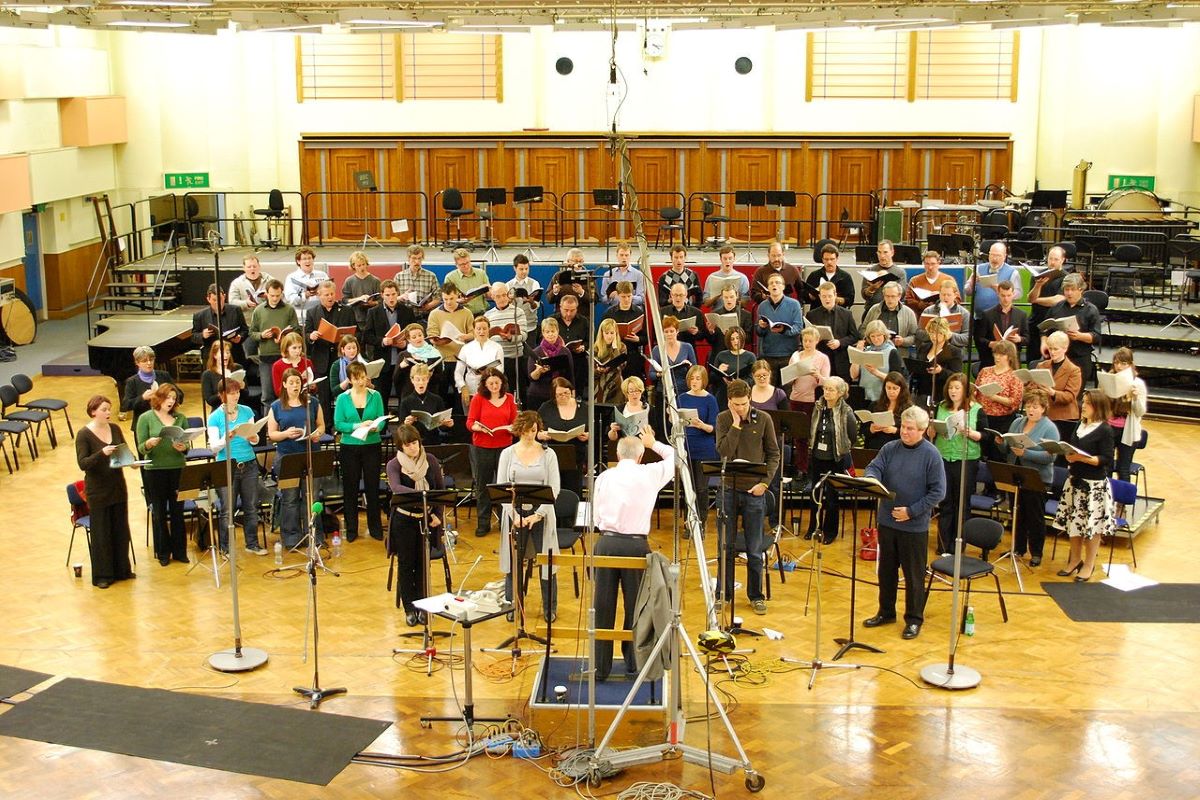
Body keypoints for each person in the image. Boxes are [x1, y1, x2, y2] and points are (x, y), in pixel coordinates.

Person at [592, 424, 676, 681]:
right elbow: (676, 458)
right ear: (640, 456)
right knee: (636, 607)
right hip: (636, 545)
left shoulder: (604, 476)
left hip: (606, 543)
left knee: (602, 605)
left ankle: (600, 668)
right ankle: (633, 663)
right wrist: (654, 443)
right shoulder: (649, 473)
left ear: (618, 456)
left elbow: (595, 513)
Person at [863, 405, 946, 640]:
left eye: (910, 429)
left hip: (913, 526)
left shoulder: (931, 455)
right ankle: (886, 612)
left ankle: (914, 619)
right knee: (886, 572)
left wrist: (911, 511)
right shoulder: (890, 448)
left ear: (922, 430)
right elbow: (874, 467)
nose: (905, 432)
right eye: (903, 427)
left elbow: (938, 492)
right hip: (887, 522)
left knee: (914, 576)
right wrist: (872, 479)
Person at [715, 380, 780, 616]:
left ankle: (756, 595)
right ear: (729, 403)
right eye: (736, 405)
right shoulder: (723, 419)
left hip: (755, 491)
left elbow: (774, 454)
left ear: (749, 399)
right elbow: (724, 451)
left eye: (744, 404)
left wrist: (764, 483)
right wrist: (735, 424)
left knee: (754, 549)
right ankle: (723, 594)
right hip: (728, 490)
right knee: (725, 546)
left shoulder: (764, 419)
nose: (741, 408)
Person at [497, 411, 561, 622]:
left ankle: (549, 607)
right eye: (526, 431)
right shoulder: (507, 454)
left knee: (546, 561)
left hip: (541, 513)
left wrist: (538, 515)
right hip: (514, 513)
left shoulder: (548, 454)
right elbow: (501, 489)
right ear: (519, 430)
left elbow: (554, 488)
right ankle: (512, 604)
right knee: (514, 561)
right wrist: (514, 515)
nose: (530, 435)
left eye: (533, 431)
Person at [1051, 390, 1116, 583]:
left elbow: (1106, 460)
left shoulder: (1105, 430)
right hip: (1074, 481)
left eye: (1087, 403)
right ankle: (1074, 559)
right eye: (1084, 402)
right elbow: (1071, 447)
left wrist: (1082, 458)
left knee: (1091, 527)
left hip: (1093, 486)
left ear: (1098, 407)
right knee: (1074, 524)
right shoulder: (1080, 425)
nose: (1083, 406)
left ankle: (1089, 563)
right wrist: (1068, 455)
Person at [386, 424, 447, 626]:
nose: (413, 448)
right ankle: (409, 608)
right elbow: (396, 487)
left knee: (422, 564)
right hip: (403, 520)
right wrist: (422, 496)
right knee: (406, 564)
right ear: (401, 447)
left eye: (415, 443)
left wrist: (437, 514)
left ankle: (423, 606)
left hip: (425, 519)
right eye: (408, 445)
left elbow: (440, 489)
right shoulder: (394, 464)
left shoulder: (430, 460)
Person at [75, 395, 135, 589]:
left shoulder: (115, 429)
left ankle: (121, 570)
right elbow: (83, 463)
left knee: (120, 529)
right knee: (101, 533)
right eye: (104, 409)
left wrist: (131, 461)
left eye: (109, 409)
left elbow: (124, 451)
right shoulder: (84, 434)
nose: (108, 412)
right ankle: (102, 575)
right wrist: (102, 453)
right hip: (98, 489)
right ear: (93, 412)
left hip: (117, 485)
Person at [993, 387, 1058, 567]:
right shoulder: (1017, 423)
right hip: (1016, 475)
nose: (1031, 410)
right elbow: (1007, 449)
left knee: (1034, 516)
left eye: (1036, 407)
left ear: (1044, 408)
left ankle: (1036, 552)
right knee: (1017, 512)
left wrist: (1026, 453)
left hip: (1037, 478)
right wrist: (1000, 443)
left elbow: (1050, 457)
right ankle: (1018, 548)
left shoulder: (1050, 428)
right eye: (1029, 406)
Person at [267, 367, 326, 550]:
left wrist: (317, 434)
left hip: (310, 454)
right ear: (284, 384)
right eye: (291, 382)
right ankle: (291, 538)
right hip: (287, 456)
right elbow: (272, 434)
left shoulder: (312, 402)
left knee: (312, 497)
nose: (295, 385)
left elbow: (322, 425)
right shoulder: (276, 406)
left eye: (298, 382)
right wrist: (285, 434)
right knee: (290, 498)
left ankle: (315, 535)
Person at [206, 379, 265, 556]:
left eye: (237, 392)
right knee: (227, 510)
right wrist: (228, 437)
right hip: (227, 465)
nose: (236, 396)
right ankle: (226, 547)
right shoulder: (215, 417)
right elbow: (214, 447)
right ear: (222, 395)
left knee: (251, 506)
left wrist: (253, 437)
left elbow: (256, 438)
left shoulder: (246, 411)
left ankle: (252, 543)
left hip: (248, 463)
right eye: (232, 393)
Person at [136, 384, 190, 566]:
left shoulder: (180, 418)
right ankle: (163, 552)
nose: (171, 401)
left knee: (177, 512)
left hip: (177, 469)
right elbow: (141, 448)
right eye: (168, 397)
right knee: (159, 512)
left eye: (174, 398)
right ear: (159, 398)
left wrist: (183, 448)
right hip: (155, 470)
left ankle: (180, 551)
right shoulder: (146, 418)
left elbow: (187, 446)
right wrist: (150, 444)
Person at [930, 372, 983, 555]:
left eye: (957, 388)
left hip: (966, 459)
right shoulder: (942, 407)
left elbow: (986, 436)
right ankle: (943, 545)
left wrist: (970, 433)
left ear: (965, 390)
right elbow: (934, 431)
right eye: (951, 387)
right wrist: (932, 429)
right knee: (945, 502)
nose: (953, 391)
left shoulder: (976, 409)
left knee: (962, 504)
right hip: (943, 457)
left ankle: (959, 545)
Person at [333, 361, 384, 543]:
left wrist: (376, 427)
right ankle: (352, 529)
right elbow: (338, 424)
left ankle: (375, 528)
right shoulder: (342, 398)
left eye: (363, 377)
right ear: (350, 380)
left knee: (372, 488)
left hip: (372, 445)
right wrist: (357, 425)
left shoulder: (375, 395)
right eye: (357, 379)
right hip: (349, 447)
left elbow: (382, 419)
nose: (361, 381)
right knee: (350, 488)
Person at [466, 367, 517, 537]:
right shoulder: (478, 399)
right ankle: (483, 523)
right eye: (490, 383)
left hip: (504, 446)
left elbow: (515, 422)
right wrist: (478, 427)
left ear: (502, 382)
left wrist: (512, 428)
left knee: (504, 486)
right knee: (483, 486)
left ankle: (505, 522)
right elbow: (470, 422)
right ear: (485, 384)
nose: (494, 386)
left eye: (497, 382)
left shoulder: (509, 398)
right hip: (483, 446)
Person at [805, 377, 857, 544]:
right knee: (815, 493)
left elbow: (852, 436)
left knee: (832, 497)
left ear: (840, 393)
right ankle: (813, 527)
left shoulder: (846, 411)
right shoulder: (818, 406)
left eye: (831, 389)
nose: (826, 392)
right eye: (825, 388)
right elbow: (812, 429)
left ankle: (830, 532)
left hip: (835, 459)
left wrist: (842, 448)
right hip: (817, 457)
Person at [304, 279, 356, 421]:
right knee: (324, 396)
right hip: (321, 360)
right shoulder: (312, 312)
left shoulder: (346, 310)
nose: (330, 297)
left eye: (332, 294)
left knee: (345, 395)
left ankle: (345, 425)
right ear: (319, 295)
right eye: (326, 294)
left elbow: (355, 332)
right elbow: (306, 335)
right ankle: (326, 427)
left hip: (342, 360)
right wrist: (312, 336)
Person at [361, 278, 415, 412]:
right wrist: (382, 341)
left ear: (398, 293)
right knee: (382, 397)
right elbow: (366, 336)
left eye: (393, 294)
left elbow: (414, 332)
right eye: (387, 295)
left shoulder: (407, 311)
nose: (391, 298)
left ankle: (404, 427)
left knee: (404, 396)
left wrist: (406, 343)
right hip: (382, 361)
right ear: (382, 295)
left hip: (402, 361)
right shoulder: (373, 312)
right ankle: (383, 429)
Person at [677, 365, 719, 538]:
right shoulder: (681, 398)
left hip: (704, 448)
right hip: (685, 447)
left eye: (698, 378)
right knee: (687, 488)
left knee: (701, 489)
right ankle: (689, 522)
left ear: (704, 381)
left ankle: (700, 523)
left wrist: (701, 425)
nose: (694, 382)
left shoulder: (710, 400)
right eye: (692, 378)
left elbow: (715, 428)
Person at [1044, 273, 1102, 389]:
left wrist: (1079, 336)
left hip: (1078, 358)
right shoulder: (1057, 307)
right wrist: (1043, 342)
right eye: (1066, 289)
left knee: (1074, 396)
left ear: (1080, 290)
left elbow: (1096, 336)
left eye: (1072, 290)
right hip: (1057, 358)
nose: (1069, 293)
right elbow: (1045, 329)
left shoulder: (1090, 310)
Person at [786, 327, 830, 474]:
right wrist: (794, 373)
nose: (807, 343)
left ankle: (815, 466)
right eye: (805, 340)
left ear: (817, 341)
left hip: (813, 400)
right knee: (799, 435)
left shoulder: (822, 358)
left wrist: (817, 375)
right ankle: (801, 468)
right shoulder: (796, 356)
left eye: (811, 341)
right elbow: (787, 378)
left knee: (814, 433)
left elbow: (827, 382)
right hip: (796, 398)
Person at [537, 377, 590, 499]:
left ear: (572, 392)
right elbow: (536, 429)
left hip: (576, 455)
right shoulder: (546, 407)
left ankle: (572, 515)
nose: (564, 396)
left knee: (573, 489)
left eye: (567, 393)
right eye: (559, 394)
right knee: (553, 489)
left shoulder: (583, 407)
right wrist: (540, 435)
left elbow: (592, 428)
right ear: (553, 395)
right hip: (552, 454)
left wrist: (588, 435)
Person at [974, 339, 1024, 462]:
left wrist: (994, 397)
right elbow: (977, 389)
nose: (997, 357)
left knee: (996, 455)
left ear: (1009, 357)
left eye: (1002, 354)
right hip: (983, 416)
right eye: (996, 354)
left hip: (1002, 420)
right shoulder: (985, 371)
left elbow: (1015, 401)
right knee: (980, 452)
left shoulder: (1014, 375)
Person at [248, 277, 294, 412]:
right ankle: (269, 428)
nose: (275, 298)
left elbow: (296, 330)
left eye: (278, 296)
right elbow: (252, 333)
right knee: (267, 394)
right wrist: (262, 335)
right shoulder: (259, 310)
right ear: (266, 294)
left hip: (284, 356)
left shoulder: (289, 309)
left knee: (286, 392)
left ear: (282, 294)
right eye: (272, 295)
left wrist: (284, 336)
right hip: (266, 357)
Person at [121, 346, 184, 440]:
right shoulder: (132, 381)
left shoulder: (164, 375)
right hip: (143, 427)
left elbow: (180, 395)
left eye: (151, 359)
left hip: (166, 424)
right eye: (144, 361)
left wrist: (168, 395)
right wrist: (142, 398)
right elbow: (125, 405)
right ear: (137, 363)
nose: (149, 363)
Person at [1108, 348, 1147, 484]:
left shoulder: (1138, 383)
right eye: (1116, 363)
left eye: (1123, 363)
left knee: (1123, 469)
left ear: (1130, 364)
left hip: (1128, 431)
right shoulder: (1110, 378)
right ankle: (1105, 499)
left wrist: (1135, 398)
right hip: (1109, 428)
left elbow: (1140, 412)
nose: (1119, 367)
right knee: (1106, 466)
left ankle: (1122, 503)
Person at [485, 282, 530, 401]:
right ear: (493, 297)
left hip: (515, 358)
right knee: (498, 391)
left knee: (519, 391)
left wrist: (511, 338)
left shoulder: (518, 312)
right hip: (496, 360)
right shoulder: (488, 315)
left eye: (504, 295)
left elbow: (524, 335)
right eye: (498, 296)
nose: (502, 299)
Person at [807, 281, 860, 383]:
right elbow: (805, 337)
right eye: (824, 296)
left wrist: (840, 342)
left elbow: (854, 336)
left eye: (830, 296)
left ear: (835, 295)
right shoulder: (812, 315)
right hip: (821, 360)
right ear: (819, 296)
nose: (827, 299)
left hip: (841, 361)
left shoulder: (846, 314)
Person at [756, 273, 805, 382]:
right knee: (769, 389)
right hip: (768, 354)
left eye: (777, 282)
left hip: (788, 354)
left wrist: (783, 330)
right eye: (771, 283)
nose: (774, 285)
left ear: (783, 286)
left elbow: (798, 328)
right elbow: (758, 332)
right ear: (767, 287)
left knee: (788, 390)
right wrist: (761, 327)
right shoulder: (762, 306)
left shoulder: (794, 304)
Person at [1027, 245, 1070, 366]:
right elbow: (1030, 298)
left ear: (1062, 260)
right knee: (1033, 356)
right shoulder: (1037, 275)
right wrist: (1038, 285)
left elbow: (1058, 300)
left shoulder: (1066, 277)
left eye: (1056, 259)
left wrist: (1037, 299)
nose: (1052, 262)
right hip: (1036, 319)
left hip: (1054, 322)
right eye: (1050, 258)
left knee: (1053, 358)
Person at [228, 254, 276, 360]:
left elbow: (281, 296)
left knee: (269, 356)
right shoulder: (237, 283)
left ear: (259, 266)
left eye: (254, 266)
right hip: (248, 327)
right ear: (244, 268)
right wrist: (246, 303)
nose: (252, 269)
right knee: (250, 356)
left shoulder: (270, 280)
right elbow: (231, 302)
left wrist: (268, 297)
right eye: (249, 267)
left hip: (267, 326)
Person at [1036, 330, 1082, 437]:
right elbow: (1033, 389)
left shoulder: (1074, 370)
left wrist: (1053, 393)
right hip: (1044, 414)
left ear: (1065, 349)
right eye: (1050, 348)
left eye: (1056, 349)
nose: (1052, 352)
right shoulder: (1041, 366)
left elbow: (1070, 396)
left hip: (1063, 417)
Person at [975, 280, 1028, 369]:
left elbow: (1027, 338)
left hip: (1012, 361)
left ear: (1013, 294)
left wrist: (1019, 339)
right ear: (998, 294)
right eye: (1003, 295)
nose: (1006, 299)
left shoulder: (1021, 315)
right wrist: (991, 343)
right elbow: (978, 338)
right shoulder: (987, 314)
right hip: (991, 360)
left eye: (1009, 295)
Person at [398, 363, 454, 446]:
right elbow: (401, 428)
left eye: (424, 379)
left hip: (433, 442)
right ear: (412, 380)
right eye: (418, 379)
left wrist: (448, 424)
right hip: (414, 443)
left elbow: (443, 428)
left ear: (428, 379)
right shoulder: (406, 402)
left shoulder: (437, 399)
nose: (421, 383)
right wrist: (406, 424)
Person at [601, 281, 647, 381]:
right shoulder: (609, 313)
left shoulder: (639, 313)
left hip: (632, 355)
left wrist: (638, 339)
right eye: (623, 296)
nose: (626, 299)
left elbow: (646, 338)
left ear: (632, 294)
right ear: (617, 295)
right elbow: (600, 336)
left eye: (629, 296)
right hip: (613, 355)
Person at [456, 315, 504, 409]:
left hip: (490, 391)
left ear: (488, 329)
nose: (481, 332)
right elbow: (458, 372)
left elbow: (500, 370)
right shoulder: (466, 348)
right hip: (470, 391)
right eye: (478, 329)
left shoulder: (497, 347)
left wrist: (487, 374)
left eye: (484, 328)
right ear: (474, 329)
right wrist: (462, 387)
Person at [191, 283, 247, 364]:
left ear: (224, 296)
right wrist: (202, 335)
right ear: (208, 299)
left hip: (234, 356)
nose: (218, 302)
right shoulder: (200, 316)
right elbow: (193, 336)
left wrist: (240, 337)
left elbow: (245, 330)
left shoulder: (235, 310)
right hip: (212, 358)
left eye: (220, 299)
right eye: (214, 300)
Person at [851, 319, 903, 404]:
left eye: (878, 335)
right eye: (873, 336)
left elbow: (896, 381)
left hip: (882, 397)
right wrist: (857, 353)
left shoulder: (892, 352)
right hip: (864, 395)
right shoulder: (866, 350)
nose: (876, 339)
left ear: (884, 335)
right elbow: (853, 375)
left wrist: (876, 372)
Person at [964, 241, 1022, 317]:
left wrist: (1000, 290)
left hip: (1001, 318)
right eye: (992, 255)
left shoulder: (1013, 272)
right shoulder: (978, 269)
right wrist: (972, 281)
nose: (994, 259)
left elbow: (1018, 295)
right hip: (979, 318)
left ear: (1004, 256)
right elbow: (967, 292)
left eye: (998, 256)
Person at [528, 317, 575, 409]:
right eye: (547, 332)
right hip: (538, 394)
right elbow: (531, 378)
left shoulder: (565, 351)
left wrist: (573, 393)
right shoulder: (536, 352)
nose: (550, 334)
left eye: (553, 331)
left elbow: (570, 375)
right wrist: (539, 371)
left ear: (558, 331)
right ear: (543, 333)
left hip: (560, 394)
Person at [914, 316, 962, 402]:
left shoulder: (954, 351)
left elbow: (957, 376)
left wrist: (941, 371)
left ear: (944, 333)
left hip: (941, 393)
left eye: (937, 333)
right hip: (922, 392)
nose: (933, 336)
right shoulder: (924, 347)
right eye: (931, 333)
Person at [862, 281, 920, 351]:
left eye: (893, 296)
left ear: (899, 296)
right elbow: (863, 329)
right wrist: (872, 338)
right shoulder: (874, 309)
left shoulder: (909, 313)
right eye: (887, 296)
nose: (890, 299)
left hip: (898, 353)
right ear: (883, 296)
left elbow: (914, 336)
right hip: (874, 351)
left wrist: (903, 341)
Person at [649, 315, 697, 400]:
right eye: (666, 332)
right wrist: (660, 374)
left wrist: (689, 366)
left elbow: (695, 370)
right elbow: (651, 374)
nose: (669, 334)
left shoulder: (687, 347)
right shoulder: (657, 349)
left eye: (672, 331)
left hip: (684, 391)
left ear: (677, 331)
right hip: (664, 391)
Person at [916, 278, 970, 350]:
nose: (945, 297)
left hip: (954, 352)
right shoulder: (928, 311)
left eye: (949, 295)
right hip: (931, 348)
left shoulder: (964, 313)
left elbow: (967, 339)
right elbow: (919, 333)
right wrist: (934, 334)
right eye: (943, 294)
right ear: (939, 294)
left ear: (955, 295)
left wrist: (950, 335)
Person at [864, 372, 912, 451]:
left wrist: (895, 430)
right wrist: (871, 429)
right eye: (888, 388)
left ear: (902, 389)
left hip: (897, 448)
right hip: (875, 447)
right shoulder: (875, 405)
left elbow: (913, 432)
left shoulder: (908, 408)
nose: (891, 391)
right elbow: (863, 430)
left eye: (895, 388)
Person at [393, 244, 442, 320]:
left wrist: (428, 306)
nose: (417, 261)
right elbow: (392, 298)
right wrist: (401, 297)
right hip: (404, 317)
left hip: (424, 317)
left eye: (419, 258)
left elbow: (438, 298)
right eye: (414, 258)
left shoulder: (431, 276)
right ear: (408, 259)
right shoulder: (399, 276)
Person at [710, 326, 756, 406]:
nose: (736, 341)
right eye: (732, 339)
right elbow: (712, 379)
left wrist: (738, 383)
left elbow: (753, 379)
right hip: (724, 394)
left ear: (742, 339)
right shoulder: (721, 355)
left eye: (738, 338)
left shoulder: (750, 356)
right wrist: (719, 371)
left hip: (742, 394)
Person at [284, 246, 330, 322]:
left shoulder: (323, 275)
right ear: (298, 261)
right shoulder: (291, 278)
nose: (307, 261)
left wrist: (321, 293)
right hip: (301, 319)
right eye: (304, 259)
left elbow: (330, 294)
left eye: (309, 258)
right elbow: (291, 300)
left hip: (321, 317)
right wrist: (305, 295)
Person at [660, 281, 710, 351]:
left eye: (681, 295)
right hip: (667, 350)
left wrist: (696, 332)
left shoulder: (696, 312)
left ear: (686, 295)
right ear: (671, 295)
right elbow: (656, 335)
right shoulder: (662, 312)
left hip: (688, 350)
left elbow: (702, 336)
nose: (678, 298)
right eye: (675, 295)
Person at [803, 242, 855, 310]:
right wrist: (811, 296)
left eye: (832, 259)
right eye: (826, 259)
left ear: (837, 259)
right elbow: (804, 297)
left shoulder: (845, 277)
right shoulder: (814, 275)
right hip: (817, 312)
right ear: (822, 259)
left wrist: (835, 299)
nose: (829, 262)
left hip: (838, 313)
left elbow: (850, 300)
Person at [860, 239, 908, 310]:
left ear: (892, 253)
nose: (882, 256)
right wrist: (871, 289)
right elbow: (864, 295)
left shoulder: (900, 272)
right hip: (873, 309)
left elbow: (903, 294)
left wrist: (888, 278)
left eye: (885, 252)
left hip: (893, 310)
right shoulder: (870, 271)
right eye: (879, 252)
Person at [904, 250, 954, 316]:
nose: (930, 267)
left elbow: (957, 299)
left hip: (943, 317)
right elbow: (908, 300)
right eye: (927, 264)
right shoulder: (914, 280)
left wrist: (941, 299)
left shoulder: (948, 280)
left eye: (933, 264)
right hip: (921, 316)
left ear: (938, 263)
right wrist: (920, 305)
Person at [341, 250, 382, 328]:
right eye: (359, 265)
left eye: (363, 264)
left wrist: (372, 303)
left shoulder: (375, 281)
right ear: (353, 266)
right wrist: (359, 299)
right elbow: (345, 300)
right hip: (355, 318)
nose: (362, 267)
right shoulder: (349, 281)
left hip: (372, 318)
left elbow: (381, 301)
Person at [592, 318, 628, 405]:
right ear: (602, 334)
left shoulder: (622, 347)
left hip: (616, 385)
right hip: (599, 386)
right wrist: (598, 371)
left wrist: (615, 348)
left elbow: (621, 366)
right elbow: (591, 373)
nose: (609, 336)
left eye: (612, 333)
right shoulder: (595, 348)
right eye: (606, 333)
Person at [600, 242, 645, 308]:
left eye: (626, 255)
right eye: (621, 255)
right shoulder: (608, 274)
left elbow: (641, 299)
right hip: (614, 310)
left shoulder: (638, 275)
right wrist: (609, 296)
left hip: (633, 310)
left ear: (630, 256)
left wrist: (628, 297)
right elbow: (603, 298)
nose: (624, 258)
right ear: (617, 256)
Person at [200, 340, 241, 413]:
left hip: (238, 409)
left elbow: (246, 395)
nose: (226, 355)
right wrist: (225, 390)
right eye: (222, 353)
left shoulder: (238, 368)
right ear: (215, 355)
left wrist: (242, 387)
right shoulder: (207, 374)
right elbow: (210, 401)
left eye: (228, 352)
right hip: (219, 412)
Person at [448, 248, 491, 315]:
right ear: (456, 265)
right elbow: (448, 300)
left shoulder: (481, 273)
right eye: (462, 264)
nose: (466, 266)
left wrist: (488, 289)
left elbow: (489, 296)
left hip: (482, 313)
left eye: (467, 262)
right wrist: (459, 301)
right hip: (461, 314)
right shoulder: (450, 277)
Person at [271, 331, 314, 398]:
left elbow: (314, 389)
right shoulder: (277, 366)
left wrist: (312, 386)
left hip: (305, 399)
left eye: (300, 347)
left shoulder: (307, 362)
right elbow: (278, 392)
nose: (298, 351)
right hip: (287, 401)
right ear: (286, 348)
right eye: (294, 348)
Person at [607, 376, 649, 443]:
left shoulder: (649, 409)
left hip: (643, 445)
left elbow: (656, 434)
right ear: (626, 393)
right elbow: (612, 438)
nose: (635, 394)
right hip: (624, 446)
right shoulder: (619, 410)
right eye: (631, 391)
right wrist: (613, 430)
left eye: (637, 391)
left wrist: (649, 431)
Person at [329, 334, 367, 405]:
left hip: (363, 399)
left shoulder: (364, 363)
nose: (352, 351)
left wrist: (369, 383)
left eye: (354, 348)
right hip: (344, 401)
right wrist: (347, 381)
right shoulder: (336, 365)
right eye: (349, 348)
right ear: (342, 349)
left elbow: (373, 387)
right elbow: (334, 391)